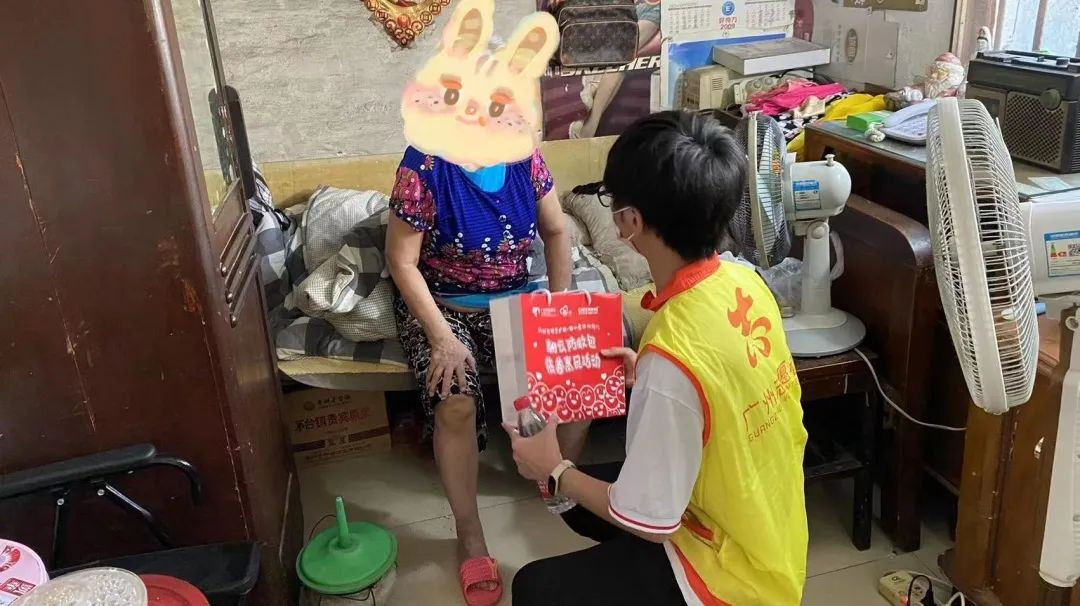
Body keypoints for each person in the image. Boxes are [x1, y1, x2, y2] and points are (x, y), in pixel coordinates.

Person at [506, 110, 810, 606]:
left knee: (533, 586)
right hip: (769, 526)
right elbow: (725, 385)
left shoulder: (673, 355)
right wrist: (646, 374)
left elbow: (649, 523)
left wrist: (553, 467)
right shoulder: (745, 280)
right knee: (578, 505)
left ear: (630, 221)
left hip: (732, 574)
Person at [569, 0, 662, 139]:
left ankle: (592, 95)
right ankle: (592, 95)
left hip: (653, 10)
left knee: (621, 53)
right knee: (619, 56)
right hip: (628, 10)